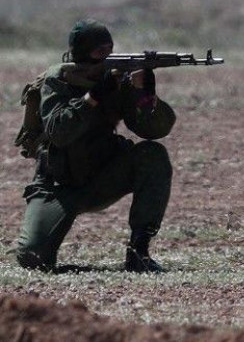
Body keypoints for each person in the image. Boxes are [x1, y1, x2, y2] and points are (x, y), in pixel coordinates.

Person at [15, 19, 176, 272]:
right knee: (32, 259)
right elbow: (59, 133)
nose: (107, 57)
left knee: (152, 155)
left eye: (110, 49)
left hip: (103, 176)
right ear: (81, 53)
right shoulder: (57, 80)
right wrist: (93, 97)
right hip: (58, 185)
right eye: (100, 51)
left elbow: (154, 131)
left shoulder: (115, 81)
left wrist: (146, 96)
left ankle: (139, 252)